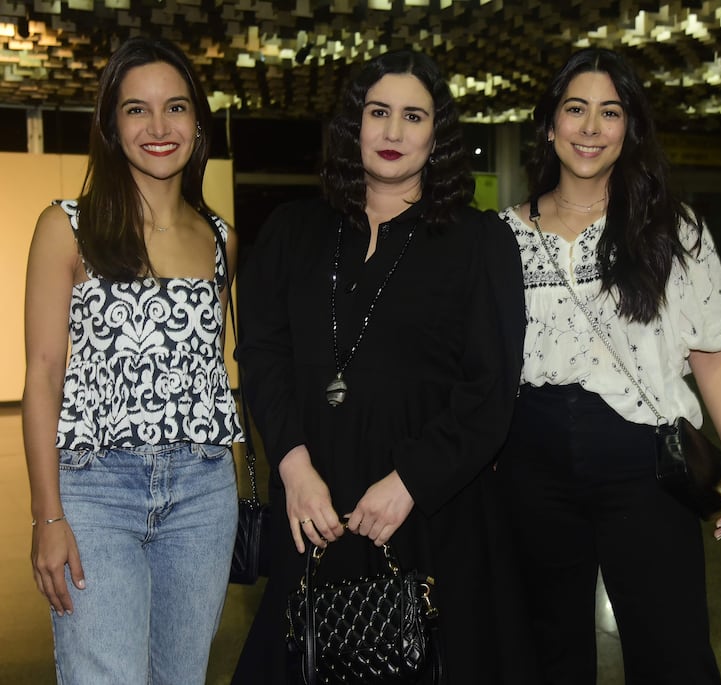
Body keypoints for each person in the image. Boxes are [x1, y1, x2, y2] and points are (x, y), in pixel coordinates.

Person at [232, 49, 531, 684]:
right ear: (353, 126)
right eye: (378, 112)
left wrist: (410, 482)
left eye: (413, 116)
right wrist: (292, 465)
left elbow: (490, 393)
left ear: (437, 134)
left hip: (432, 513)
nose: (393, 132)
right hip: (313, 506)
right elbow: (261, 354)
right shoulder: (291, 232)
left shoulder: (481, 243)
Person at [498, 47, 721, 684]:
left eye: (609, 113)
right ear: (550, 123)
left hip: (646, 461)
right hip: (531, 460)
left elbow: (711, 350)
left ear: (630, 127)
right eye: (576, 109)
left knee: (672, 649)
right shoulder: (502, 237)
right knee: (547, 647)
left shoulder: (673, 229)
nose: (590, 128)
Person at [22, 36, 241, 685]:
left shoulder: (221, 236)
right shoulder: (67, 225)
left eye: (175, 107)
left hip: (203, 492)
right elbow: (41, 375)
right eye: (136, 110)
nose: (158, 126)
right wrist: (47, 515)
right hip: (95, 491)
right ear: (112, 126)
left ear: (197, 122)